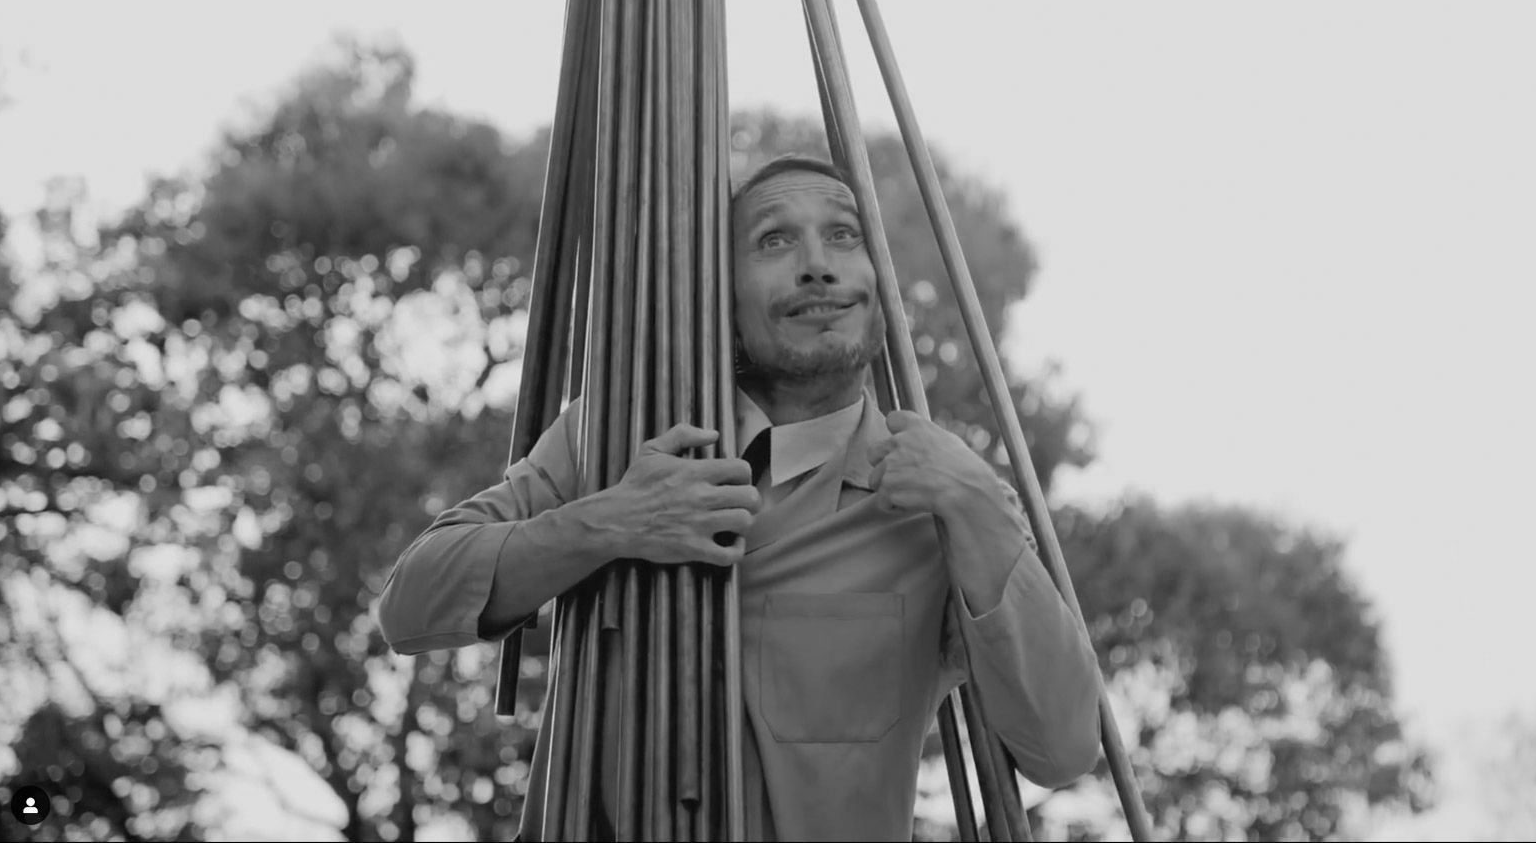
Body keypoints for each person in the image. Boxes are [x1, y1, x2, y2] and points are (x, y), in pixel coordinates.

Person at [375, 154, 1103, 841]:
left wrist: (980, 509)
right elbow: (409, 606)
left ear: (881, 289)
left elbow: (1064, 749)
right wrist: (611, 521)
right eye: (774, 240)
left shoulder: (944, 505)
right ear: (722, 301)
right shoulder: (617, 434)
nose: (816, 264)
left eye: (843, 236)